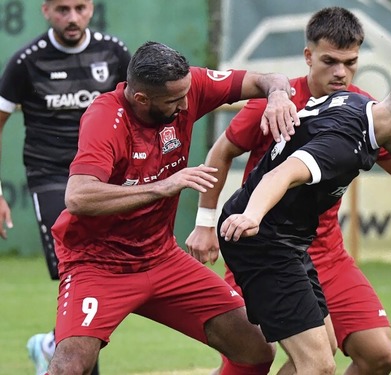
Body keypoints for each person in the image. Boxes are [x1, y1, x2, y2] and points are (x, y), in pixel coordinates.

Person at [186, 7, 391, 375]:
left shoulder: (361, 105)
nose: (340, 72)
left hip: (308, 245)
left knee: (362, 355)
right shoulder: (317, 126)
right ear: (308, 56)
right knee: (266, 359)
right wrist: (226, 219)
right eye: (330, 61)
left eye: (349, 63)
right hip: (262, 238)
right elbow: (275, 171)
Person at [45, 41, 299, 375]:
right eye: (174, 101)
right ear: (141, 99)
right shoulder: (105, 118)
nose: (185, 105)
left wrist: (278, 95)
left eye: (186, 94)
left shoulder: (188, 86)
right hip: (98, 265)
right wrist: (163, 186)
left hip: (162, 259)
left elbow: (268, 78)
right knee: (70, 367)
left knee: (255, 349)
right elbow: (78, 196)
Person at [0, 1, 130, 374]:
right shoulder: (27, 61)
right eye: (62, 9)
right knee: (82, 270)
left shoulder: (114, 52)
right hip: (53, 177)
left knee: (107, 273)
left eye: (79, 8)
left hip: (105, 177)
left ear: (91, 9)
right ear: (45, 11)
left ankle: (52, 344)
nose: (71, 18)